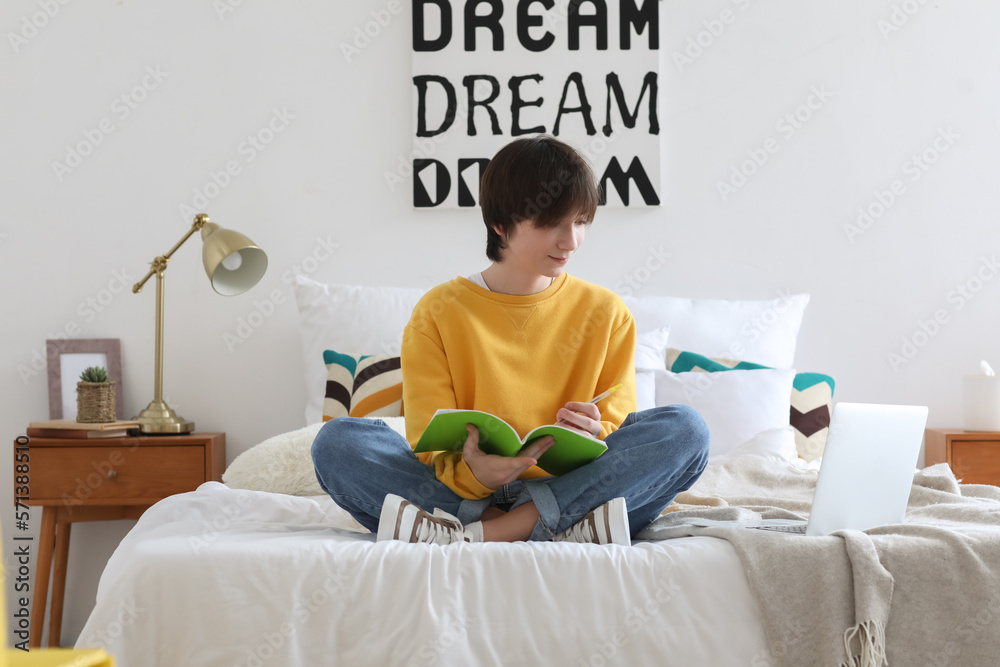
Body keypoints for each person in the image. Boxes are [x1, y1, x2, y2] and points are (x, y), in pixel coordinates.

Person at [312, 135, 709, 546]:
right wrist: (477, 474)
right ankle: (558, 528)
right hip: (466, 493)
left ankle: (485, 532)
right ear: (500, 223)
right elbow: (429, 443)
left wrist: (596, 432)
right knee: (338, 443)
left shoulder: (606, 313)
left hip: (569, 485)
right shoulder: (438, 311)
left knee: (686, 430)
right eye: (552, 223)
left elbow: (613, 428)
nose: (570, 241)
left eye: (580, 222)